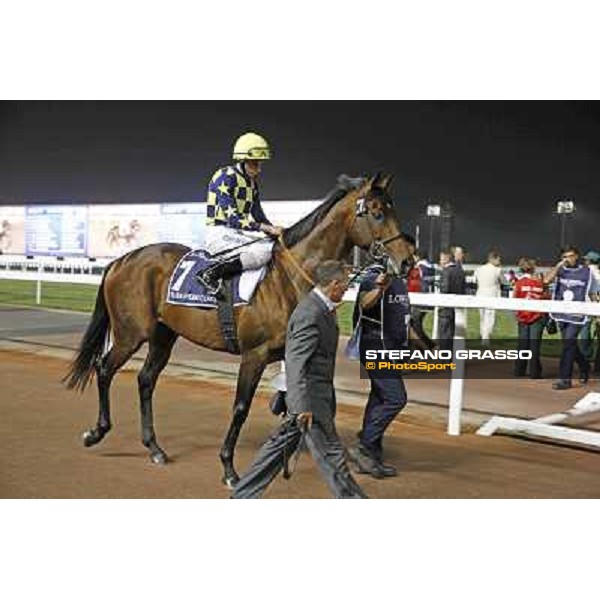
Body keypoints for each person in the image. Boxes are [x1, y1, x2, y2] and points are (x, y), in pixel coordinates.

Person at [231, 260, 367, 499]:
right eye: (345, 284)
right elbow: (296, 362)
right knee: (331, 453)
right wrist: (301, 405)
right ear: (334, 284)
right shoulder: (310, 313)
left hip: (311, 396)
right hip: (310, 399)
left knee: (279, 448)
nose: (347, 288)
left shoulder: (320, 308)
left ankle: (242, 495)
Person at [346, 260, 413, 479]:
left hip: (391, 348)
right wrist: (380, 287)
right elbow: (364, 304)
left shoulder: (401, 282)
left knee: (379, 397)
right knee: (396, 398)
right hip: (375, 345)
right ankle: (365, 443)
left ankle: (370, 456)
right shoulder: (372, 276)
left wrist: (428, 345)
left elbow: (405, 321)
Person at [196, 132, 283, 293]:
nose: (258, 169)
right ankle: (210, 274)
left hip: (237, 233)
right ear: (243, 160)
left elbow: (258, 215)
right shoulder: (225, 177)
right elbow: (233, 219)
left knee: (273, 246)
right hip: (219, 232)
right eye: (254, 164)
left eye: (259, 164)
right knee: (262, 252)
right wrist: (266, 228)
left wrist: (276, 231)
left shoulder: (252, 184)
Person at [544, 246, 592, 390]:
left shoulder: (587, 271)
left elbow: (593, 291)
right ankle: (584, 365)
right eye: (565, 257)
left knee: (568, 343)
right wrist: (559, 265)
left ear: (577, 256)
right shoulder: (561, 270)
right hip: (562, 312)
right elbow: (546, 280)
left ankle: (564, 379)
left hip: (577, 314)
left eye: (571, 256)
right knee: (569, 344)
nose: (568, 259)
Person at [513, 258, 546, 379]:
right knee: (534, 345)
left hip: (523, 316)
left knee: (522, 344)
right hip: (537, 316)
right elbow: (545, 297)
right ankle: (534, 372)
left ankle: (519, 370)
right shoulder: (539, 282)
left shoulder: (519, 283)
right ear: (533, 268)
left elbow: (515, 298)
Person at [438, 248, 466, 351]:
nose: (440, 262)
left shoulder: (446, 271)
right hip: (458, 307)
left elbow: (444, 289)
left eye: (441, 259)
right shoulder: (460, 270)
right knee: (453, 333)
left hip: (446, 308)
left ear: (446, 259)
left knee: (444, 334)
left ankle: (444, 360)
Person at [474, 251, 503, 345]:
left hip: (480, 294)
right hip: (491, 295)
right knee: (489, 317)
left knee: (482, 317)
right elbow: (502, 281)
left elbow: (475, 281)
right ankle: (485, 338)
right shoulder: (497, 270)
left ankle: (483, 334)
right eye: (498, 259)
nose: (499, 261)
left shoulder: (479, 269)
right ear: (493, 259)